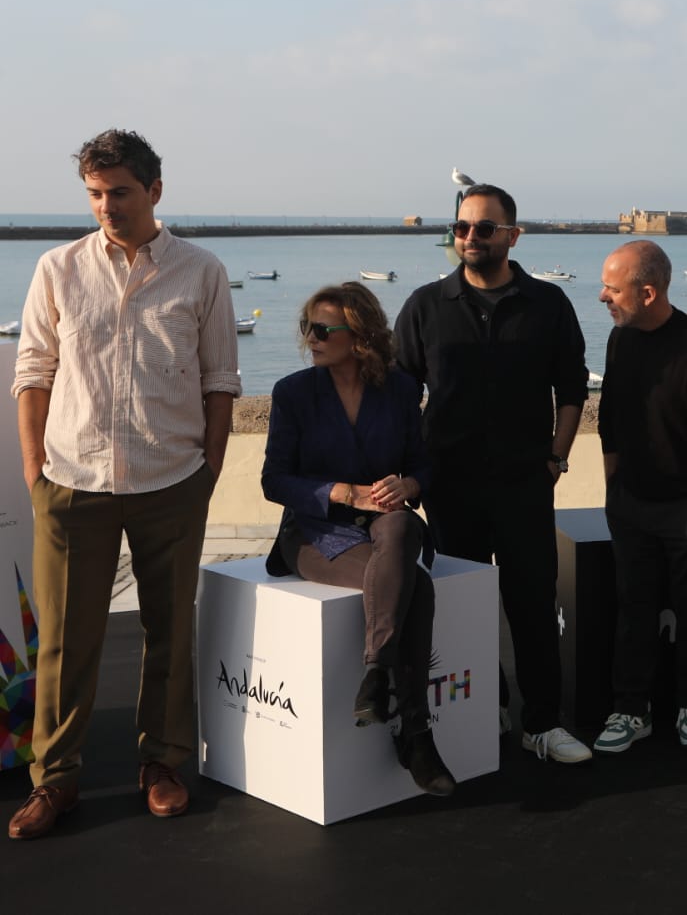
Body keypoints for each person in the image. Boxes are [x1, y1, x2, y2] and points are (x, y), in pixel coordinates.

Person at [9, 129, 240, 839]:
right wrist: (33, 470)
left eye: (120, 192)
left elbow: (220, 384)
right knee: (63, 642)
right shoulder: (58, 267)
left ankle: (163, 764)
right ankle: (56, 780)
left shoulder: (201, 272)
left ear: (154, 192)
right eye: (95, 193)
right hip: (73, 481)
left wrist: (206, 472)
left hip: (172, 478)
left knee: (169, 629)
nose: (106, 206)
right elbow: (33, 372)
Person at [394, 184, 592, 763]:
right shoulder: (425, 306)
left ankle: (543, 725)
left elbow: (572, 387)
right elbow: (403, 395)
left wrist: (556, 457)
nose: (470, 238)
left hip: (525, 483)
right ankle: (486, 709)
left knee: (532, 604)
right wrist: (411, 474)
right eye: (461, 228)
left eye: (483, 228)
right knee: (466, 606)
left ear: (512, 234)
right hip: (450, 487)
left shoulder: (548, 304)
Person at [261, 283, 454, 795]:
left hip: (387, 526)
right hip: (314, 532)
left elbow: (423, 466)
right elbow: (274, 481)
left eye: (323, 330)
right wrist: (344, 493)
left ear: (361, 335)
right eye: (307, 328)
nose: (311, 338)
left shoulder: (398, 389)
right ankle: (416, 734)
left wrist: (407, 485)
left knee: (403, 523)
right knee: (419, 587)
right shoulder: (293, 392)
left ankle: (377, 675)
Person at [592, 241, 687, 752]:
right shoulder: (620, 340)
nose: (602, 296)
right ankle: (630, 710)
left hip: (686, 506)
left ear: (648, 292)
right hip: (631, 503)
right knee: (633, 609)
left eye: (612, 288)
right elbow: (609, 417)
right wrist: (613, 487)